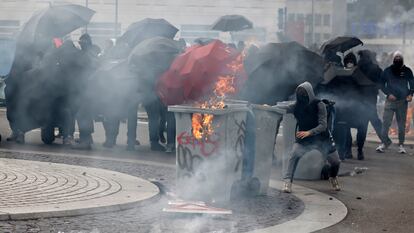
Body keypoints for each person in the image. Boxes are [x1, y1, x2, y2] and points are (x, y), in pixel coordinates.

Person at [281, 82, 341, 193]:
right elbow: (283, 108)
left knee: (336, 161)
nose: (302, 96)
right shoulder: (296, 105)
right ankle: (287, 182)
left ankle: (333, 177)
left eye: (304, 93)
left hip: (322, 138)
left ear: (309, 93)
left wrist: (309, 132)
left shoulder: (319, 105)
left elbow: (323, 125)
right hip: (304, 138)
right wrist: (269, 107)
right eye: (299, 94)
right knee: (294, 155)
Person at [376, 51, 414, 154]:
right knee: (385, 123)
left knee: (401, 125)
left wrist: (411, 94)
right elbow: (381, 85)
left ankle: (401, 145)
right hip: (390, 102)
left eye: (399, 57)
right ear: (393, 59)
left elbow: (412, 84)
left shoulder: (407, 71)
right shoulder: (387, 71)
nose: (397, 59)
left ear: (402, 59)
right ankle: (384, 143)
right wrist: (388, 94)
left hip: (402, 102)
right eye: (396, 57)